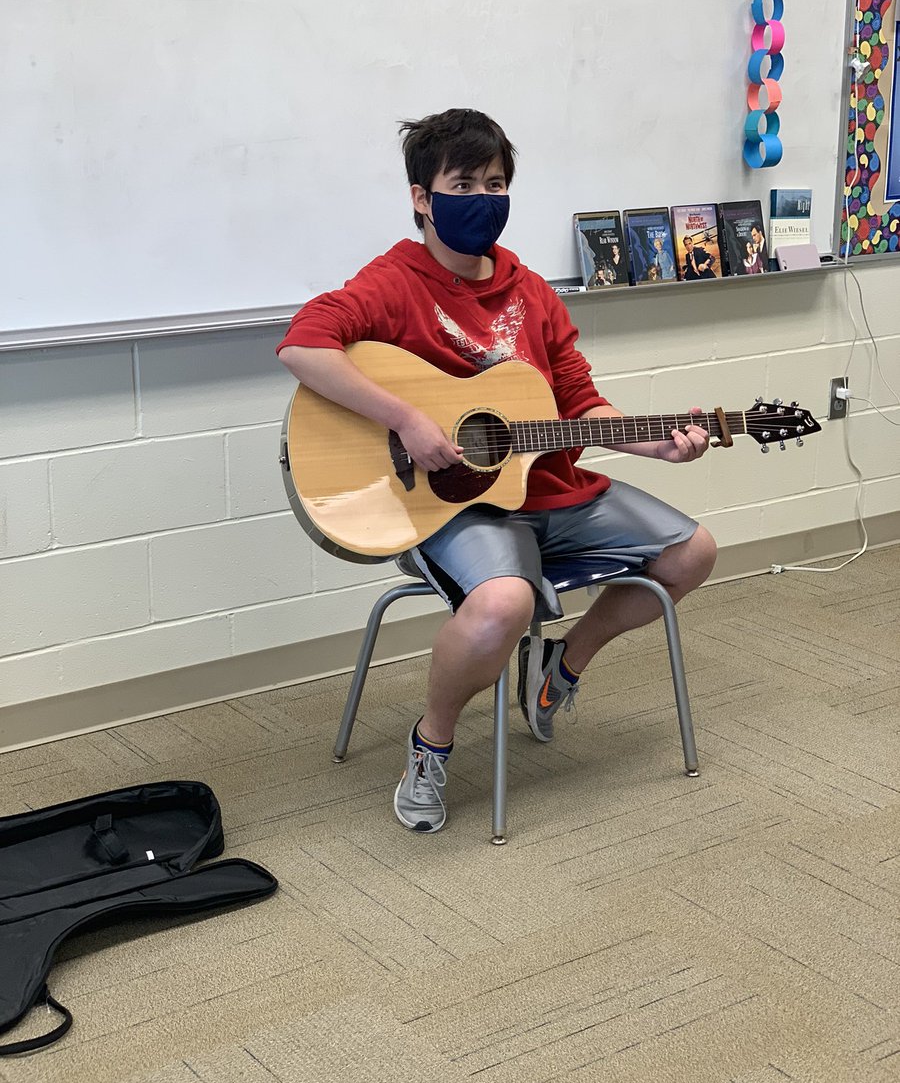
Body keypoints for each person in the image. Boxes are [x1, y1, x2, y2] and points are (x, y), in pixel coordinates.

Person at [276, 109, 716, 834]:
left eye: (496, 182)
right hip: (453, 506)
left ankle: (560, 667)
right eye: (464, 182)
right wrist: (407, 419)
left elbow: (580, 403)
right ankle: (431, 744)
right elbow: (304, 347)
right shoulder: (394, 283)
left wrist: (657, 446)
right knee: (503, 604)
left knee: (692, 553)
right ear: (423, 197)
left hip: (548, 490)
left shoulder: (532, 291)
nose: (483, 196)